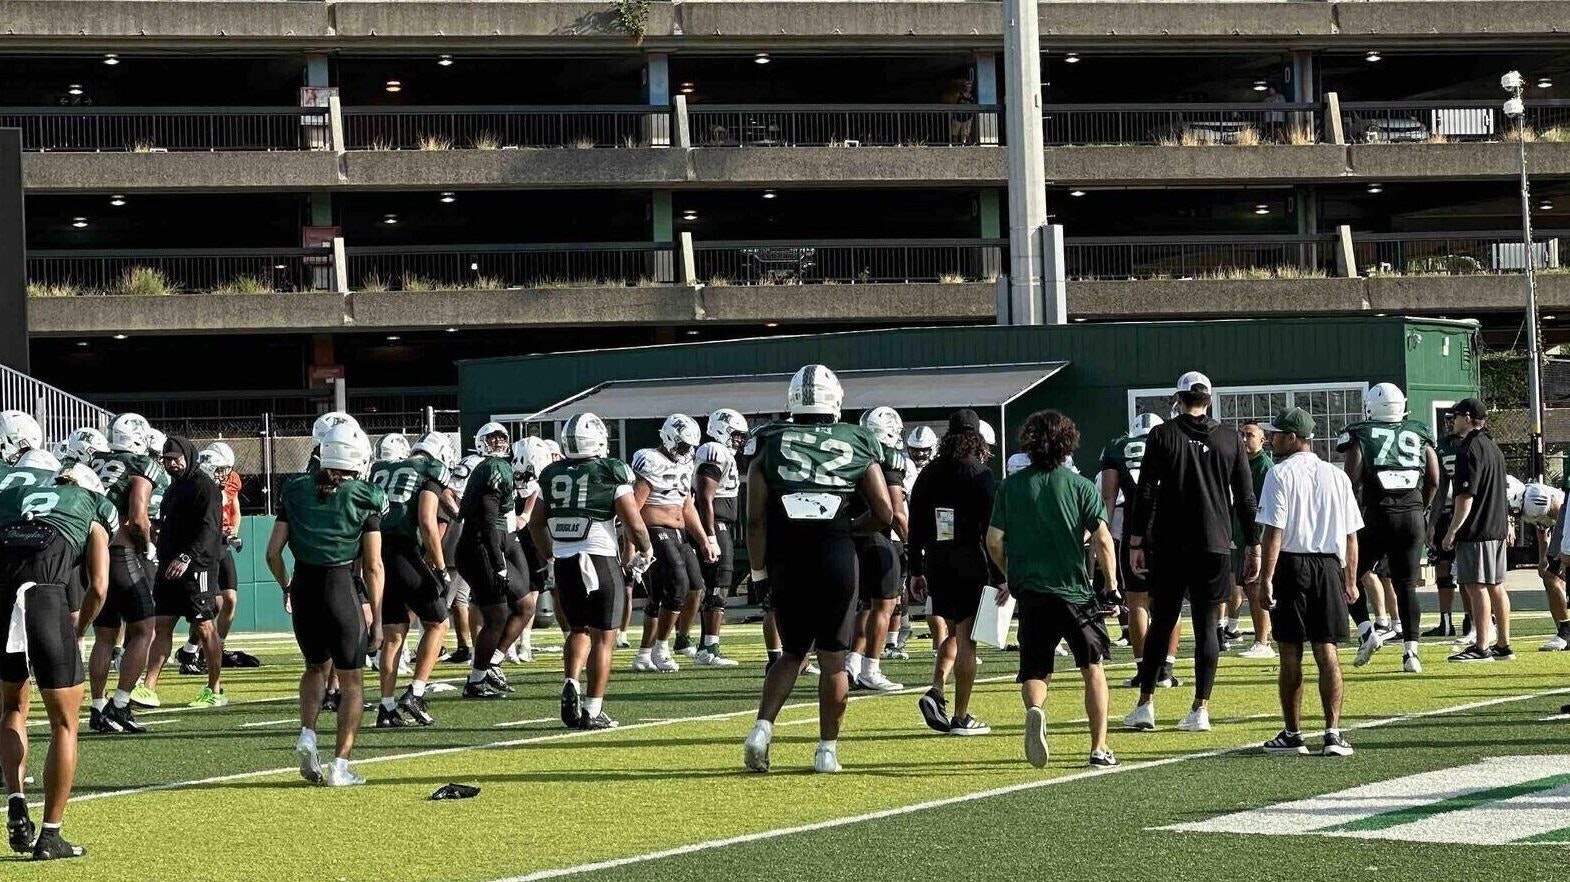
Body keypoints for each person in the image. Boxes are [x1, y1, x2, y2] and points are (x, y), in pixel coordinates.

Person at [743, 365, 892, 773]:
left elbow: (754, 520)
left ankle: (761, 728)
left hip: (787, 555)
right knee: (833, 659)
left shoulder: (769, 440)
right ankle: (827, 751)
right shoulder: (858, 439)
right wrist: (846, 527)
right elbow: (885, 513)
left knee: (790, 653)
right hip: (835, 554)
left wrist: (758, 574)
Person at [1125, 371, 1258, 733]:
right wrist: (1254, 543)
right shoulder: (1230, 439)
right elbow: (1245, 497)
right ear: (1209, 399)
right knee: (1207, 626)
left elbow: (1146, 492)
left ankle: (1146, 704)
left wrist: (1137, 540)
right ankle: (1201, 707)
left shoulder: (1162, 434)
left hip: (1170, 544)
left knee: (1162, 623)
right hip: (1214, 544)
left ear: (1178, 398)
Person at [987, 409, 1120, 769]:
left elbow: (994, 540)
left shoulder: (1010, 487)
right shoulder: (1080, 486)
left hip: (1032, 592)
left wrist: (1010, 573)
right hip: (1075, 592)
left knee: (1034, 668)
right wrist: (1112, 585)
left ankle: (1035, 710)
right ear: (1068, 443)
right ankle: (1099, 747)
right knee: (1092, 668)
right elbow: (1104, 540)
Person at [0, 462, 114, 859]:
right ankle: (50, 836)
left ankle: (15, 798)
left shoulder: (12, 497)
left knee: (12, 707)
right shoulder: (91, 504)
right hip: (47, 601)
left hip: (3, 598)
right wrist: (80, 627)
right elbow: (98, 587)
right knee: (64, 723)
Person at [265, 423, 385, 786]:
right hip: (341, 589)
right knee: (352, 681)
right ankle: (340, 766)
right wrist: (377, 618)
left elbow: (272, 553)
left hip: (304, 586)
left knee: (315, 668)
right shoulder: (366, 496)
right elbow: (375, 565)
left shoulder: (296, 489)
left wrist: (288, 586)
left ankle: (307, 733)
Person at [529, 413, 653, 730]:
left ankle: (572, 680)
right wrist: (646, 549)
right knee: (604, 638)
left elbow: (536, 523)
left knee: (578, 630)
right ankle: (593, 709)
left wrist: (551, 556)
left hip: (566, 563)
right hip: (599, 560)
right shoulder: (609, 471)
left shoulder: (551, 472)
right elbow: (633, 522)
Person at [1255, 407, 1360, 757]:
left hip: (1291, 564)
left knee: (1290, 651)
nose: (1272, 440)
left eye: (1279, 435)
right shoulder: (1337, 476)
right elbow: (1350, 537)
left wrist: (1266, 578)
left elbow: (1274, 531)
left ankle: (1293, 733)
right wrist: (1350, 579)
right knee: (1325, 649)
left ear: (1294, 438)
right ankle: (1332, 733)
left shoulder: (1279, 474)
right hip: (1329, 566)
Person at [907, 409, 1000, 735]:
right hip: (971, 562)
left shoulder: (929, 473)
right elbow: (993, 531)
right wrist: (1001, 576)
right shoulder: (980, 475)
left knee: (951, 635)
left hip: (937, 561)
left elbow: (914, 524)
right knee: (968, 639)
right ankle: (961, 716)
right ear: (977, 438)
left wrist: (915, 569)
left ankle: (936, 690)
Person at [1338, 382, 1439, 674]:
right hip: (1412, 515)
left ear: (1371, 407)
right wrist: (1422, 507)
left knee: (1349, 576)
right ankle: (1411, 654)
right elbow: (1433, 478)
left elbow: (1352, 477)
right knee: (1406, 585)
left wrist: (1352, 512)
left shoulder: (1361, 432)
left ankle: (1367, 631)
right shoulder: (1419, 431)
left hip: (1377, 512)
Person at [84, 413, 163, 732]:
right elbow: (139, 516)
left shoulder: (94, 462)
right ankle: (120, 704)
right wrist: (147, 545)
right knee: (144, 629)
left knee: (104, 636)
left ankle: (97, 706)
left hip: (91, 552)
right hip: (121, 551)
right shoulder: (142, 465)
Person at [368, 431, 452, 727]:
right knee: (439, 623)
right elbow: (428, 521)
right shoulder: (429, 471)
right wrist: (441, 568)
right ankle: (415, 693)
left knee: (394, 633)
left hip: (374, 551)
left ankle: (386, 707)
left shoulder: (377, 469)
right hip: (403, 550)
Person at [141, 436, 227, 707]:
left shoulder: (205, 486)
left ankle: (215, 689)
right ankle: (148, 688)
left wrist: (187, 556)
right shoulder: (173, 487)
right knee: (162, 625)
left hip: (196, 567)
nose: (171, 464)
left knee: (204, 626)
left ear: (188, 457)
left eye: (175, 459)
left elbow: (209, 528)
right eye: (166, 460)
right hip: (168, 566)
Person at [1098, 412, 1181, 688]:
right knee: (1170, 603)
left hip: (1134, 529)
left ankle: (1144, 669)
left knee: (1137, 603)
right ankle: (1166, 670)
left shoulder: (1116, 447)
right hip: (1170, 528)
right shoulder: (1173, 440)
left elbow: (1109, 497)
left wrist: (1104, 535)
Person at [630, 414, 715, 673]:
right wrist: (632, 545)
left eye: (690, 447)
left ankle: (645, 654)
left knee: (694, 587)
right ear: (668, 438)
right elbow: (633, 507)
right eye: (682, 445)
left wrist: (703, 539)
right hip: (655, 530)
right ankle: (661, 648)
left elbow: (687, 505)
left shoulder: (684, 463)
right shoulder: (650, 460)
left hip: (678, 533)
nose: (686, 452)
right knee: (678, 585)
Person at [453, 422, 529, 697]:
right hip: (482, 548)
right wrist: (498, 564)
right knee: (497, 615)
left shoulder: (499, 468)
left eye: (501, 438)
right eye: (492, 438)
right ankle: (476, 680)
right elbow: (487, 520)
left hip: (488, 544)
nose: (498, 443)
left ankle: (491, 664)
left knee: (524, 604)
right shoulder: (493, 468)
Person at [1440, 399, 1513, 662]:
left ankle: (1482, 645)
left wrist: (1451, 532)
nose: (1454, 421)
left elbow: (1465, 498)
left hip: (1477, 530)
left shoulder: (1469, 449)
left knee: (1476, 586)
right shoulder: (1493, 447)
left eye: (1457, 416)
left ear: (1468, 418)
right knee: (1496, 586)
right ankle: (1503, 644)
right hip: (1496, 527)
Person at [690, 408, 749, 667]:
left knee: (717, 583)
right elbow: (705, 497)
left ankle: (707, 645)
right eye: (735, 435)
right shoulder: (714, 450)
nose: (738, 440)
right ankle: (709, 648)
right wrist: (710, 535)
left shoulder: (720, 452)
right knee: (719, 583)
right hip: (717, 524)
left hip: (720, 522)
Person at [1235, 421, 1276, 659]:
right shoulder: (1240, 463)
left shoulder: (1263, 466)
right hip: (1239, 534)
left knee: (1255, 586)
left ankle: (1263, 641)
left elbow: (1263, 506)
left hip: (1256, 538)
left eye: (1250, 435)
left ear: (1263, 440)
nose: (1244, 439)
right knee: (1244, 586)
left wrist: (1257, 542)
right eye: (1242, 434)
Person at [1425, 414, 1467, 638]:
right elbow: (1441, 488)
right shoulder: (1442, 448)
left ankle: (1474, 619)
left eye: (1455, 419)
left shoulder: (1476, 446)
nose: (1451, 424)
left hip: (1471, 515)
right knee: (1442, 566)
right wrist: (1431, 523)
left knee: (1468, 571)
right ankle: (1446, 622)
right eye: (1448, 420)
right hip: (1447, 512)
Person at [1523, 483, 1570, 650]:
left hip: (1565, 521)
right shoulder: (1532, 497)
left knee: (1552, 577)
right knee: (1550, 576)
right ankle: (1564, 631)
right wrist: (1543, 557)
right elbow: (1542, 527)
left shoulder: (1545, 500)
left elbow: (1556, 515)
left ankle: (1565, 633)